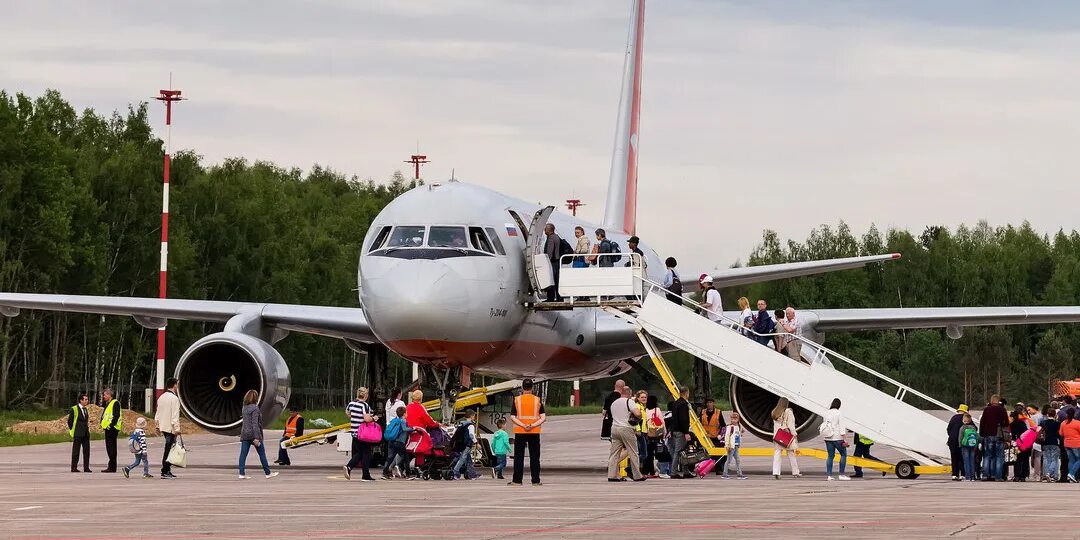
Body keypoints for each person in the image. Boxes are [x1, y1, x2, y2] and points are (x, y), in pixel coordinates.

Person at [509, 378, 546, 485]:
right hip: (534, 432)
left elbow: (512, 417)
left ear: (522, 388)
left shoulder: (517, 400)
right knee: (534, 457)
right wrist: (532, 425)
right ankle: (535, 480)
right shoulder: (537, 400)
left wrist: (523, 425)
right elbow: (543, 417)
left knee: (519, 457)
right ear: (532, 388)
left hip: (520, 431)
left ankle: (517, 480)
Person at [238, 389, 279, 479]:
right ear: (255, 398)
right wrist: (256, 437)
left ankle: (241, 473)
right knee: (262, 454)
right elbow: (255, 424)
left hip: (245, 433)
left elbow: (246, 422)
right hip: (253, 434)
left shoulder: (244, 408)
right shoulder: (255, 408)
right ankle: (267, 473)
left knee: (243, 454)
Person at [607, 386, 645, 482]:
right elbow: (637, 413)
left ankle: (612, 475)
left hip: (614, 428)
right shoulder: (629, 402)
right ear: (629, 393)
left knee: (614, 453)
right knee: (633, 451)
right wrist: (639, 415)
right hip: (626, 428)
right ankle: (637, 475)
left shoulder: (614, 403)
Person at [343, 387, 377, 481]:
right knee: (366, 453)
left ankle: (363, 473)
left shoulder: (351, 403)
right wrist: (374, 418)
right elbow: (366, 419)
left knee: (361, 453)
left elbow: (347, 413)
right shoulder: (364, 405)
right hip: (363, 433)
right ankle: (352, 468)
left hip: (354, 432)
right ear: (365, 395)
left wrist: (354, 417)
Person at [405, 389, 440, 472]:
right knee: (422, 449)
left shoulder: (408, 407)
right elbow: (428, 420)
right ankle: (419, 466)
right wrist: (437, 424)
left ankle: (404, 467)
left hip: (410, 431)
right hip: (420, 432)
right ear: (421, 398)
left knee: (410, 449)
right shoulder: (421, 408)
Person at [155, 377, 181, 479]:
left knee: (168, 448)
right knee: (169, 449)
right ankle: (165, 470)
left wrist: (157, 425)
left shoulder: (161, 397)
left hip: (164, 426)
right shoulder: (174, 399)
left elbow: (158, 413)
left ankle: (167, 470)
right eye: (177, 384)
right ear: (174, 385)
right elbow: (175, 416)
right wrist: (177, 429)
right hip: (171, 428)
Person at [979, 394, 1009, 481]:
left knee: (987, 456)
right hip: (999, 435)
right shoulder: (1002, 409)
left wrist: (982, 434)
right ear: (999, 401)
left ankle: (986, 475)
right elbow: (1006, 423)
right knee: (999, 456)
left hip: (988, 435)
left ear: (991, 401)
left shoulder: (986, 410)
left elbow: (982, 422)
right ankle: (998, 476)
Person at [771, 397, 801, 479]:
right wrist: (794, 434)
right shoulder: (788, 411)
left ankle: (776, 472)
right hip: (786, 436)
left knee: (777, 454)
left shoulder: (774, 412)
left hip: (777, 436)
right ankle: (795, 472)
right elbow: (791, 425)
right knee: (791, 454)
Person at [822, 398, 850, 481]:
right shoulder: (839, 413)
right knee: (843, 454)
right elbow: (842, 428)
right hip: (837, 437)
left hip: (828, 437)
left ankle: (829, 475)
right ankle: (841, 474)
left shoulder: (826, 413)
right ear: (839, 405)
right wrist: (845, 439)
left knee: (830, 456)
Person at [668, 386, 692, 479]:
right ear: (686, 393)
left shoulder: (676, 403)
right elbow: (683, 419)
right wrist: (686, 432)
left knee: (683, 452)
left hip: (675, 430)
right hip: (680, 431)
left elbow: (674, 418)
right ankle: (673, 472)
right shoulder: (683, 404)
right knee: (678, 452)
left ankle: (686, 472)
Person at [382, 405, 410, 480]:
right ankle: (408, 473)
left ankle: (385, 472)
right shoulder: (402, 421)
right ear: (404, 414)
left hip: (391, 441)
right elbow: (404, 429)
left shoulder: (394, 420)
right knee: (405, 457)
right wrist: (412, 429)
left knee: (390, 458)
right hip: (399, 442)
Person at [451, 410, 480, 480]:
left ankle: (472, 473)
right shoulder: (471, 425)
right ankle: (455, 472)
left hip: (461, 444)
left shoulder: (462, 424)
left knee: (468, 459)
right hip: (467, 444)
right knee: (462, 459)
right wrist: (476, 442)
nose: (474, 417)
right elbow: (471, 434)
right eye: (474, 416)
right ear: (472, 416)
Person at [99, 388, 122, 473]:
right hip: (108, 428)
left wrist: (110, 425)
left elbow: (116, 416)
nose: (104, 397)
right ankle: (111, 466)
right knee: (110, 448)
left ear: (109, 395)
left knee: (111, 448)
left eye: (104, 395)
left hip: (112, 429)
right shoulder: (108, 403)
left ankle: (112, 467)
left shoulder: (115, 403)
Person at [67, 393, 91, 473]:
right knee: (76, 451)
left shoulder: (85, 409)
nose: (87, 401)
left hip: (85, 433)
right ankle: (74, 467)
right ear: (81, 400)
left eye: (87, 399)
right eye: (85, 399)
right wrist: (73, 429)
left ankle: (86, 467)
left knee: (86, 451)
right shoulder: (74, 409)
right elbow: (70, 421)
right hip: (77, 433)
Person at [642, 395, 663, 478]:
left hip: (647, 434)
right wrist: (663, 433)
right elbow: (661, 422)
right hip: (656, 434)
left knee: (648, 454)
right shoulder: (656, 410)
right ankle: (659, 470)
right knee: (659, 453)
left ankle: (648, 471)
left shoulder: (645, 410)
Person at [946, 404, 968, 480]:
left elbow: (948, 429)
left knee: (954, 458)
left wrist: (952, 436)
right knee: (962, 458)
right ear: (965, 411)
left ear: (959, 410)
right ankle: (963, 474)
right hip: (962, 442)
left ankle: (954, 475)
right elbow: (973, 428)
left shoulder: (953, 418)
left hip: (952, 441)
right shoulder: (965, 418)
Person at [722, 412, 747, 479]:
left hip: (736, 446)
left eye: (735, 419)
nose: (733, 420)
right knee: (729, 460)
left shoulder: (738, 427)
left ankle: (739, 474)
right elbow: (727, 436)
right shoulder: (730, 427)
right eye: (732, 418)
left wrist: (741, 434)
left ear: (738, 419)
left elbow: (737, 436)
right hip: (731, 446)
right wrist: (727, 445)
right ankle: (725, 473)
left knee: (738, 460)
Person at [1040, 405, 1061, 482]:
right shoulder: (1057, 423)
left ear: (1047, 414)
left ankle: (1046, 474)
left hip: (1045, 442)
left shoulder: (1043, 422)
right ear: (1055, 414)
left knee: (1046, 459)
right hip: (1054, 442)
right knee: (1054, 459)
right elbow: (1059, 434)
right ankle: (1051, 473)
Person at [1009, 410, 1030, 481]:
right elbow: (1027, 432)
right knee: (1025, 460)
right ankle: (1023, 476)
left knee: (1017, 459)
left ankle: (1017, 475)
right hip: (1023, 443)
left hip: (1016, 444)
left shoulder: (1012, 425)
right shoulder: (1022, 423)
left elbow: (1011, 435)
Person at [543, 224, 562, 302]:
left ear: (549, 230)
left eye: (545, 229)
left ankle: (550, 298)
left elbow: (550, 252)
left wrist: (546, 261)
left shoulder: (551, 238)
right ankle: (559, 297)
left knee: (550, 280)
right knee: (556, 280)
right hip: (557, 261)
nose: (544, 231)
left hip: (552, 262)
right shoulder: (556, 237)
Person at [1061, 407, 1080, 482]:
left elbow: (1061, 433)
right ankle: (1071, 474)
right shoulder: (1077, 423)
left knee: (1071, 460)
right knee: (1079, 459)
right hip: (1076, 444)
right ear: (1074, 414)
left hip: (1067, 444)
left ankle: (1071, 477)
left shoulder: (1063, 423)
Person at [958, 413, 979, 481]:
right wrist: (976, 445)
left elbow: (960, 437)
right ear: (970, 420)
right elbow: (976, 437)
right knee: (972, 461)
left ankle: (968, 477)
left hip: (965, 446)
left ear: (963, 420)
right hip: (972, 446)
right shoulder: (973, 428)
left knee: (966, 462)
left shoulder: (962, 428)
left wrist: (960, 445)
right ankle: (973, 477)